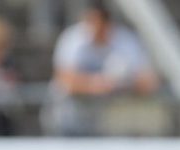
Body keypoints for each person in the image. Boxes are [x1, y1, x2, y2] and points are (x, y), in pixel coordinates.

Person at [43, 0, 159, 137]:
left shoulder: (126, 41)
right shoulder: (72, 39)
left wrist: (121, 84)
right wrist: (98, 85)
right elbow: (65, 80)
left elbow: (149, 82)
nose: (93, 30)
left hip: (111, 124)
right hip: (70, 118)